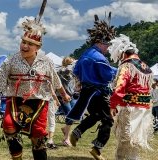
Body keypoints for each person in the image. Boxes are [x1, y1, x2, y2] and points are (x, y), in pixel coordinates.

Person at [0, 1, 70, 159]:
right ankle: (16, 156)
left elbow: (55, 80)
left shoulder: (46, 61)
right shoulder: (11, 61)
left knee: (38, 135)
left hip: (39, 101)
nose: (24, 46)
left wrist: (64, 94)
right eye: (23, 42)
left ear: (37, 47)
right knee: (8, 125)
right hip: (16, 100)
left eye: (29, 44)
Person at [67, 13, 117, 160]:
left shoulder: (85, 55)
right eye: (107, 45)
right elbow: (107, 76)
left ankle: (77, 132)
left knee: (95, 116)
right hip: (99, 93)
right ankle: (97, 148)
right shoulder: (100, 58)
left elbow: (76, 71)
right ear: (101, 42)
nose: (108, 49)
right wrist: (118, 71)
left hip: (87, 94)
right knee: (108, 120)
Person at [109, 34, 153, 160]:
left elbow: (119, 87)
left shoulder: (127, 66)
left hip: (129, 108)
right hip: (144, 109)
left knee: (125, 140)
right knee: (135, 141)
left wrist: (112, 105)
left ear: (123, 53)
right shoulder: (146, 67)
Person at [57, 56, 78, 146]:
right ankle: (66, 139)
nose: (73, 66)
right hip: (63, 96)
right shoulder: (61, 71)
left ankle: (65, 128)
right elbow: (58, 85)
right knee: (69, 114)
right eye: (72, 64)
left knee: (73, 115)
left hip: (72, 96)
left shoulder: (72, 72)